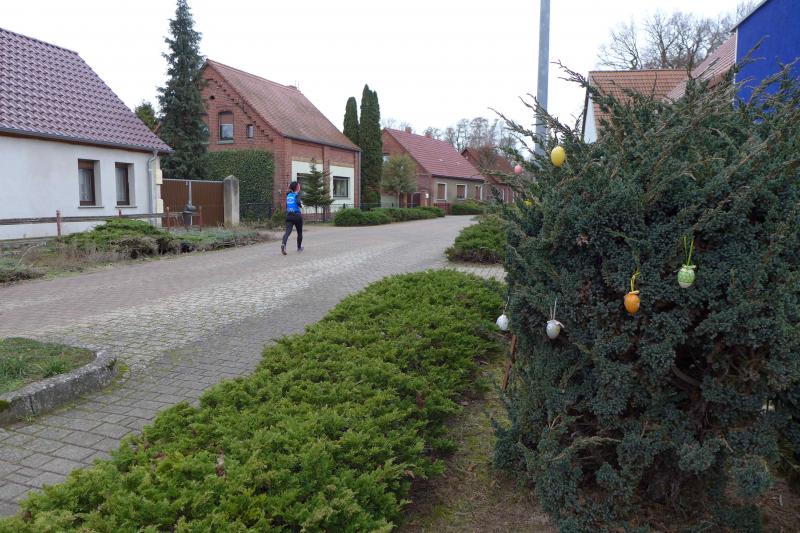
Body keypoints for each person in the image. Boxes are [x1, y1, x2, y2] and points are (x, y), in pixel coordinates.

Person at [281, 181, 303, 255]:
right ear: (296, 187)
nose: (299, 187)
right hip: (297, 215)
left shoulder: (288, 195)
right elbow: (298, 202)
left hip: (289, 215)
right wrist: (301, 205)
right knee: (299, 232)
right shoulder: (297, 195)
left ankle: (283, 244)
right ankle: (299, 247)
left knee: (287, 232)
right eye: (299, 186)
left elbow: (287, 205)